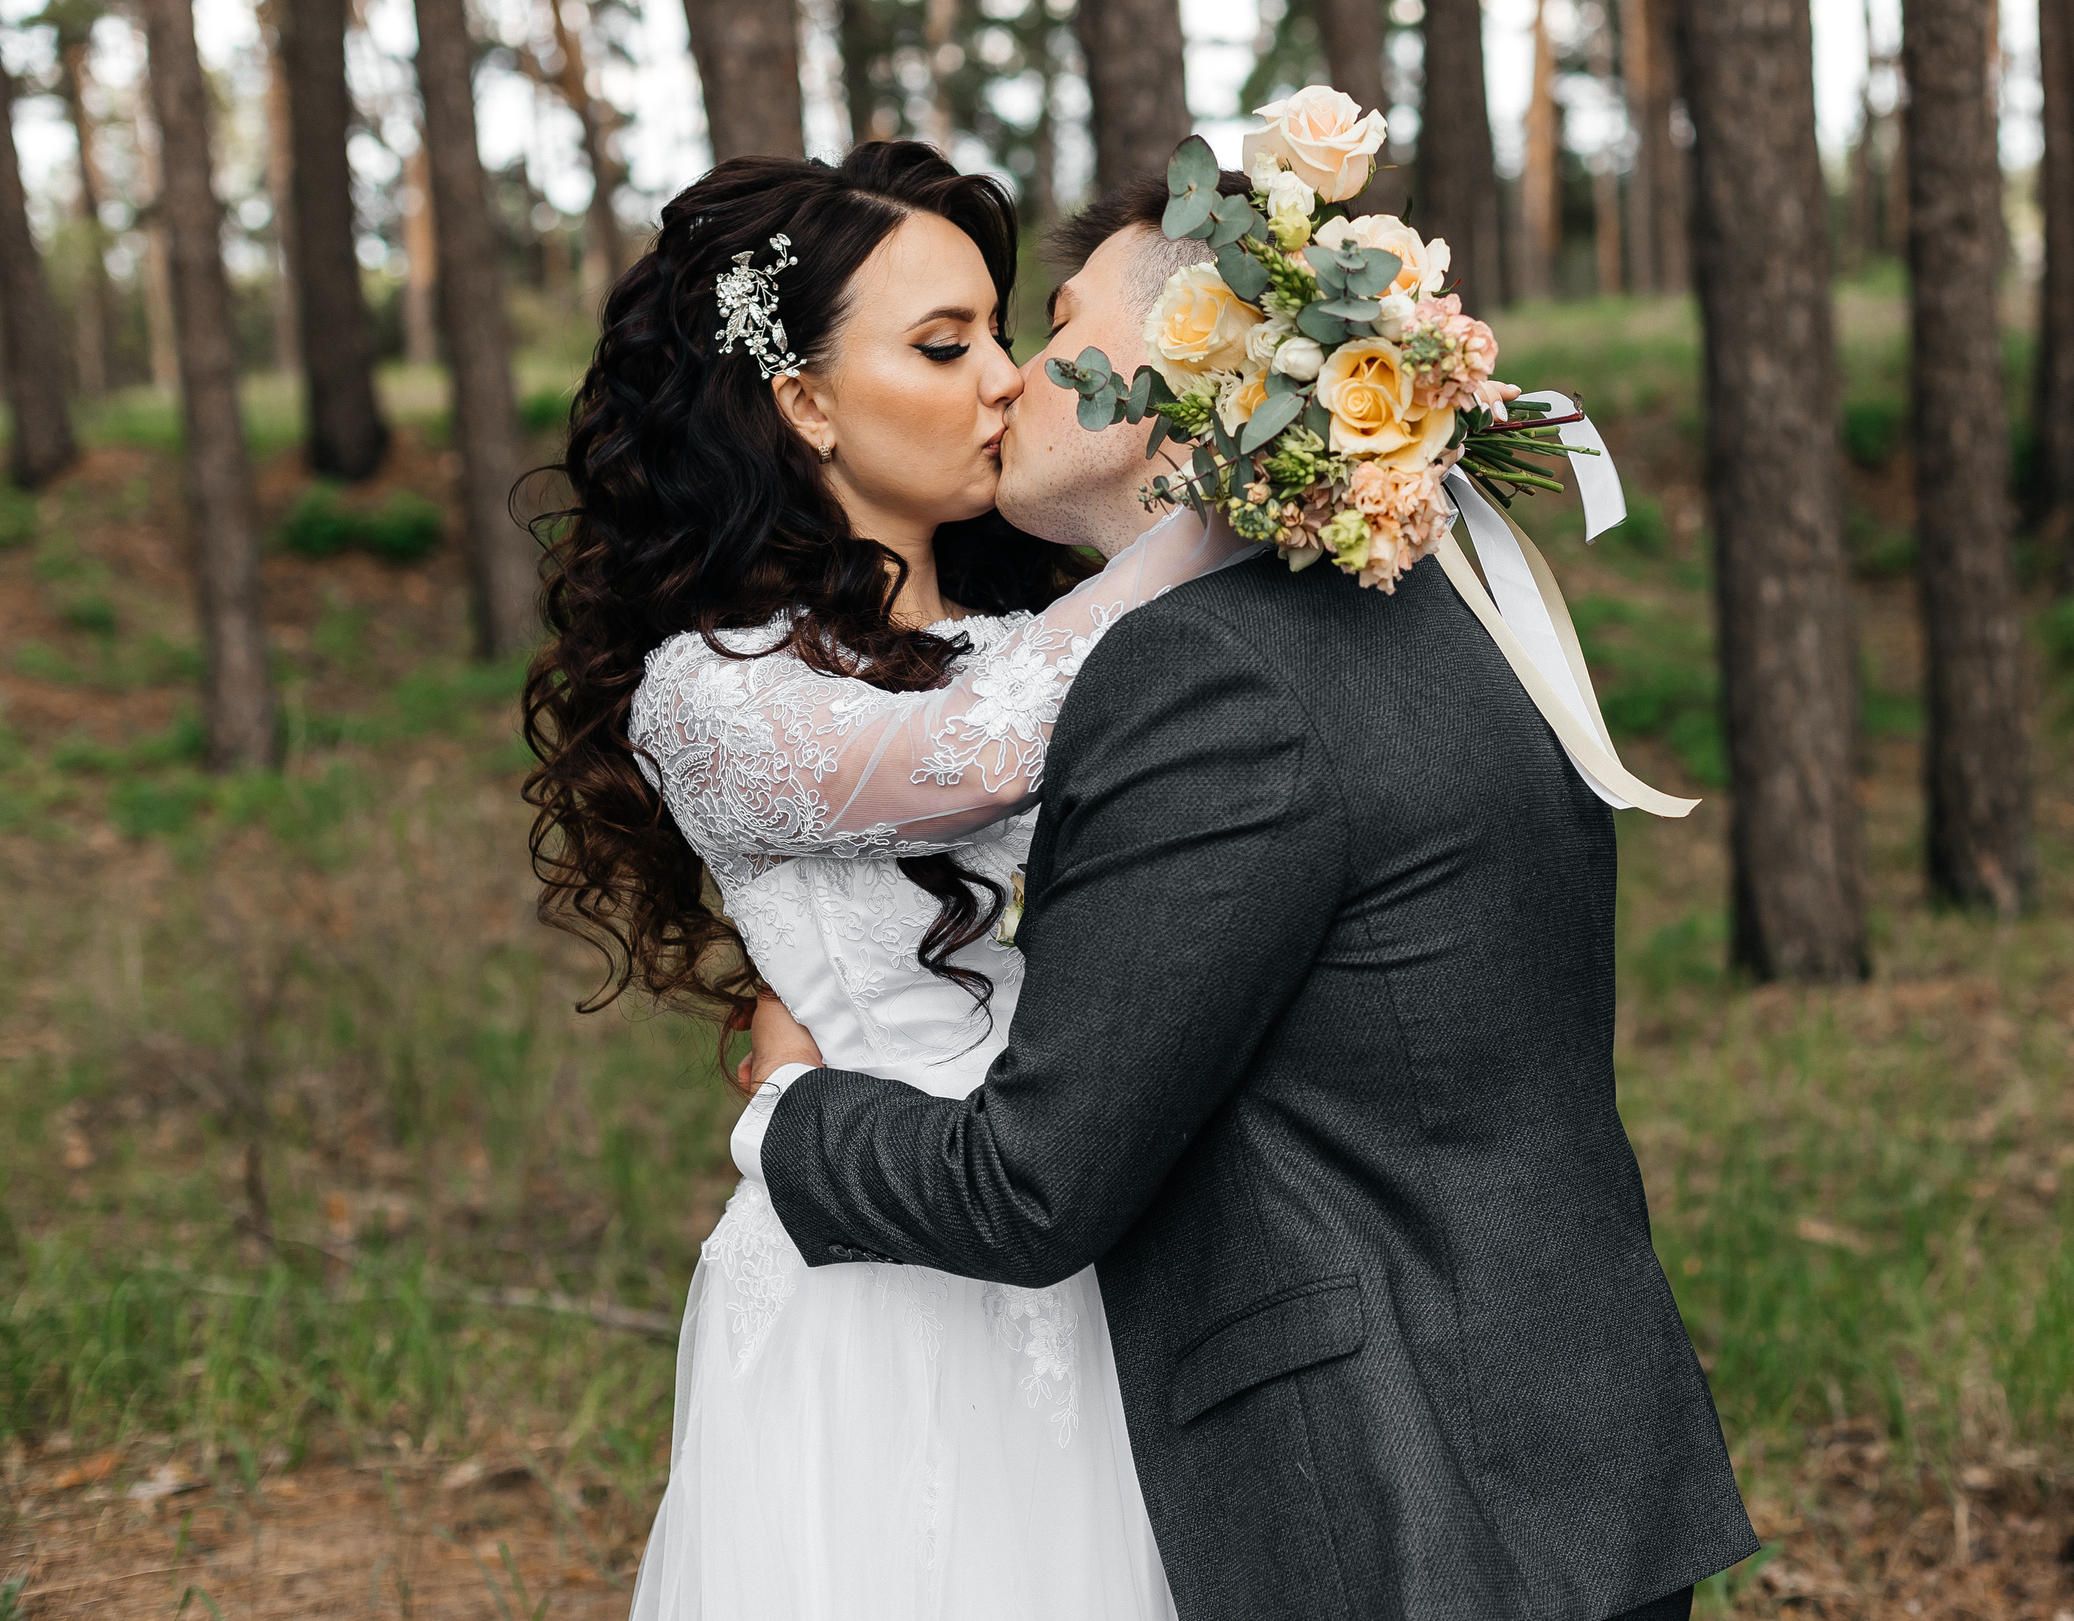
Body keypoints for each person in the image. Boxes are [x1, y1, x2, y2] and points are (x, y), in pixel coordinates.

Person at [736, 171, 1761, 1619]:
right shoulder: (1439, 612)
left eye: (1061, 325)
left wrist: (792, 1110)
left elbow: (1036, 1186)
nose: (1019, 375)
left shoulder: (1208, 671)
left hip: (1395, 1496)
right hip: (1572, 1444)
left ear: (1181, 366)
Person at [520, 142, 1252, 1620]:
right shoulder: (714, 695)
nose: (1007, 380)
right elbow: (981, 747)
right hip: (867, 1271)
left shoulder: (1013, 632)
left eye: (1005, 331)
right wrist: (1268, 474)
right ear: (801, 402)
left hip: (1077, 1238)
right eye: (947, 344)